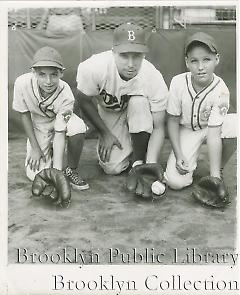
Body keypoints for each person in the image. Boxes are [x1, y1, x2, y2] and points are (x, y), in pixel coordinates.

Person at [68, 22, 169, 176]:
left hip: (140, 113)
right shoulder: (94, 67)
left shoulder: (153, 76)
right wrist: (105, 134)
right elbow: (83, 100)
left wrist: (151, 165)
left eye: (137, 56)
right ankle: (129, 144)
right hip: (110, 111)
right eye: (124, 55)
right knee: (112, 168)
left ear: (144, 55)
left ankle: (138, 161)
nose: (130, 64)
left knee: (138, 101)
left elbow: (159, 127)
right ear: (113, 52)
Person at [164, 32, 237, 190]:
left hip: (213, 129)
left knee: (235, 124)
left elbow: (214, 133)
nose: (201, 67)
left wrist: (215, 177)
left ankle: (218, 170)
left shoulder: (222, 90)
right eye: (194, 61)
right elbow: (172, 120)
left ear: (216, 59)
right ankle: (189, 160)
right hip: (187, 129)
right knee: (175, 183)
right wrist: (178, 155)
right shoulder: (178, 82)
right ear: (187, 62)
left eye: (206, 60)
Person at [12, 46, 89, 190]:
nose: (48, 81)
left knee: (77, 127)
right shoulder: (21, 83)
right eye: (42, 74)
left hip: (60, 122)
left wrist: (57, 174)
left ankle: (70, 169)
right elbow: (24, 114)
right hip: (39, 124)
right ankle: (48, 152)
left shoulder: (66, 93)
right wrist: (35, 148)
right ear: (33, 72)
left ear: (61, 73)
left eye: (54, 74)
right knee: (35, 175)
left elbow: (60, 132)